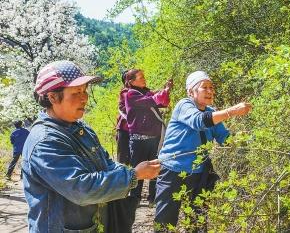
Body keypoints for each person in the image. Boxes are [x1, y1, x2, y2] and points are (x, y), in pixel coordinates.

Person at [22, 60, 161, 232]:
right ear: (52, 97)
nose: (84, 98)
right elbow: (82, 188)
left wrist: (134, 171)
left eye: (85, 90)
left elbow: (106, 163)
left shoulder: (81, 128)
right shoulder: (45, 141)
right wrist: (133, 175)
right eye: (76, 92)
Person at [155, 70, 252, 231]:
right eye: (204, 87)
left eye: (211, 88)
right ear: (191, 91)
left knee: (198, 221)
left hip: (199, 172)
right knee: (165, 220)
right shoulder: (184, 105)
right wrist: (232, 111)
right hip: (172, 169)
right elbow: (199, 122)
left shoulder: (211, 112)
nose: (209, 91)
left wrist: (242, 138)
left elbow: (225, 139)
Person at [123, 69, 173, 205]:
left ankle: (153, 198)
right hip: (138, 140)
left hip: (154, 137)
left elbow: (163, 103)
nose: (144, 79)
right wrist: (163, 91)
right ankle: (134, 199)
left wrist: (166, 91)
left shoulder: (146, 92)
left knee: (155, 167)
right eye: (141, 78)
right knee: (138, 169)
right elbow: (150, 101)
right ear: (132, 81)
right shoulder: (131, 94)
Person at [116, 70, 130, 165]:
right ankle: (121, 179)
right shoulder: (125, 92)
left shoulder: (142, 92)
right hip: (124, 130)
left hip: (136, 131)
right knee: (122, 159)